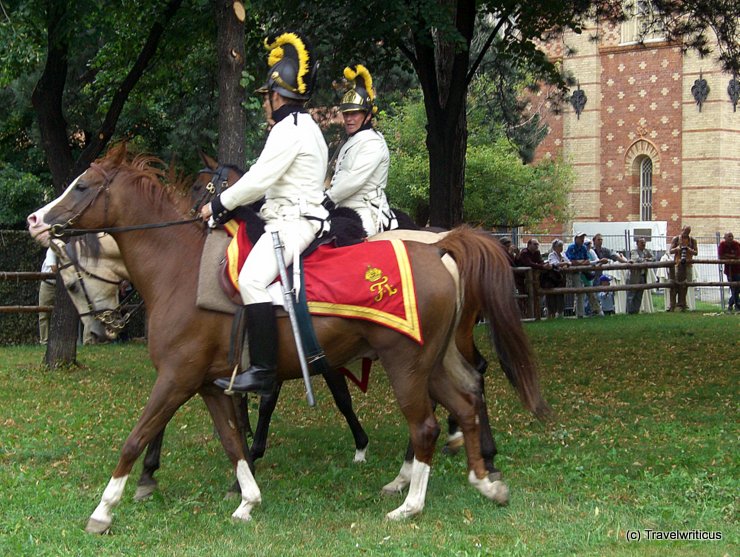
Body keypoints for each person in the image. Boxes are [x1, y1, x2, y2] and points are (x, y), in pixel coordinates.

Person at [200, 32, 329, 394]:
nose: (264, 106)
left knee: (252, 279)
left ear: (276, 95)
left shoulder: (288, 131)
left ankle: (263, 370)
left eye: (266, 98)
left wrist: (217, 204)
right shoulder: (306, 127)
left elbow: (257, 180)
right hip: (291, 217)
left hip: (294, 224)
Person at [323, 65, 397, 236]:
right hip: (344, 208)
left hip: (366, 212)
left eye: (354, 114)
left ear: (368, 115)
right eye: (346, 114)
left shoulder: (373, 142)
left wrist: (328, 198)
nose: (349, 119)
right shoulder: (352, 140)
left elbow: (353, 180)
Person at [515, 238, 552, 316]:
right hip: (521, 279)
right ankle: (523, 314)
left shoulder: (537, 252)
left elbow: (540, 261)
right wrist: (543, 267)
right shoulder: (524, 253)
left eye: (537, 244)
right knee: (523, 296)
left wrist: (545, 265)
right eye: (535, 244)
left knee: (535, 295)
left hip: (533, 279)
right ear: (529, 245)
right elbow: (529, 264)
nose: (536, 246)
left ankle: (535, 313)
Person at [668, 225, 698, 312]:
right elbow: (670, 251)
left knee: (685, 285)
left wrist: (688, 249)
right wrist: (678, 248)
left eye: (688, 231)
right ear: (682, 230)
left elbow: (696, 252)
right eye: (685, 231)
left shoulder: (692, 240)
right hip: (678, 264)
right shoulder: (676, 239)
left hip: (688, 264)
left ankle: (682, 303)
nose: (686, 233)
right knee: (675, 285)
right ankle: (672, 305)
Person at [565, 232, 595, 317]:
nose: (582, 239)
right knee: (577, 292)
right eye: (580, 237)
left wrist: (579, 263)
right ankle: (578, 314)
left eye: (583, 237)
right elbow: (571, 261)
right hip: (573, 273)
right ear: (576, 239)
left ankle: (582, 313)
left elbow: (587, 260)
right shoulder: (571, 247)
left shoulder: (584, 248)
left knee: (583, 292)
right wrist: (581, 262)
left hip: (582, 272)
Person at [626, 236, 654, 314]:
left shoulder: (646, 251)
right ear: (637, 243)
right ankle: (629, 312)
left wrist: (646, 259)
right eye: (641, 243)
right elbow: (637, 260)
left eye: (644, 243)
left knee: (639, 295)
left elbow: (653, 258)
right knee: (631, 295)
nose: (643, 244)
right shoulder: (633, 251)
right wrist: (646, 259)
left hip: (643, 276)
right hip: (633, 276)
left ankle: (636, 311)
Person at [543, 239, 570, 318]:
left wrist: (566, 265)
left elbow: (569, 262)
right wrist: (564, 263)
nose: (561, 248)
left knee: (561, 295)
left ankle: (560, 313)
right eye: (559, 246)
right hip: (552, 279)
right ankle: (551, 313)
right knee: (551, 296)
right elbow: (554, 263)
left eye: (561, 246)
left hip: (561, 279)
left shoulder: (563, 255)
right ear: (554, 247)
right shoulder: (551, 255)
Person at [38, 247, 57, 345]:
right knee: (43, 313)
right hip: (48, 284)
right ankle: (44, 341)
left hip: (63, 285)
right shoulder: (52, 249)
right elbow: (54, 268)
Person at [718, 231, 740, 311]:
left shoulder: (736, 244)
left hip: (738, 270)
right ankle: (736, 306)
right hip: (729, 271)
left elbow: (738, 255)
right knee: (733, 288)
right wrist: (732, 256)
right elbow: (721, 256)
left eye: (731, 236)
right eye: (729, 236)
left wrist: (727, 256)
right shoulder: (722, 245)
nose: (731, 238)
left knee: (737, 288)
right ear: (725, 238)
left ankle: (731, 305)